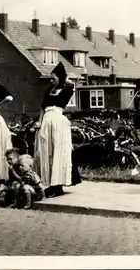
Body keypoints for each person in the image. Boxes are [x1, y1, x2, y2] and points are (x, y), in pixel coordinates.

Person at [34, 62, 82, 198]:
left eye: (54, 78)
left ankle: (58, 184)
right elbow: (42, 108)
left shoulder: (66, 90)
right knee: (46, 152)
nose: (51, 81)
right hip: (46, 122)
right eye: (51, 78)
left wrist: (64, 78)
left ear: (60, 78)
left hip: (58, 123)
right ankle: (50, 183)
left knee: (58, 152)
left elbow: (72, 85)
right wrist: (39, 121)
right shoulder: (48, 91)